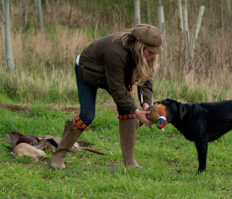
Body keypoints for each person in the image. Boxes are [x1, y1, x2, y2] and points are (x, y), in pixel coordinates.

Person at [51, 24, 162, 169]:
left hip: (112, 73)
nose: (152, 55)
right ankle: (59, 155)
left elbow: (145, 80)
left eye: (155, 52)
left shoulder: (144, 55)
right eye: (150, 51)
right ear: (139, 46)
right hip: (88, 71)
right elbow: (117, 88)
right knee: (87, 116)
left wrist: (146, 105)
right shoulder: (116, 51)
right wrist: (137, 112)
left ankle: (129, 163)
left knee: (127, 110)